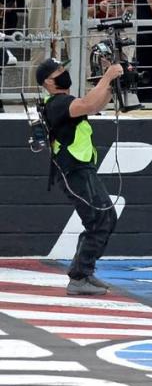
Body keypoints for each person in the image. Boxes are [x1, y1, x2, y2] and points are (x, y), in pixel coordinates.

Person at [36, 56, 123, 296]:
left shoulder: (64, 101)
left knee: (104, 217)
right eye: (59, 71)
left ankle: (83, 272)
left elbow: (95, 105)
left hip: (82, 168)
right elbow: (87, 105)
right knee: (100, 218)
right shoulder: (57, 104)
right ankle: (79, 277)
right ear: (48, 82)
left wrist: (112, 84)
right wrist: (106, 77)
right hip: (73, 170)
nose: (64, 72)